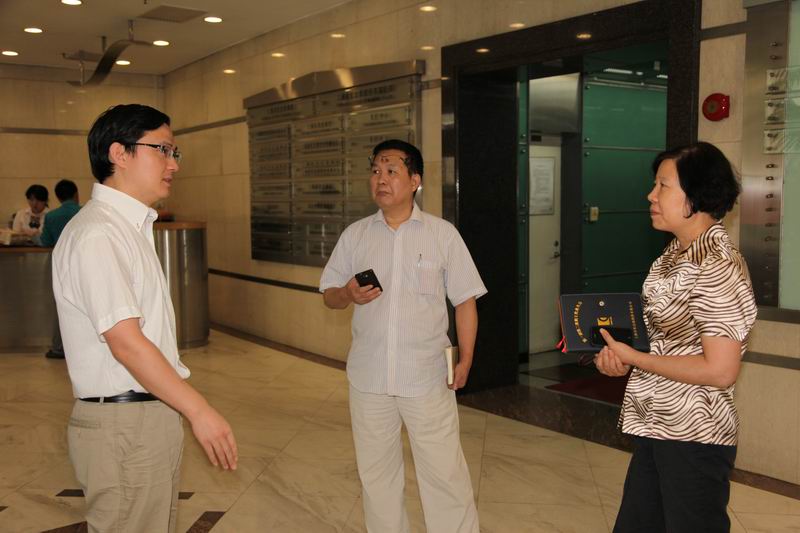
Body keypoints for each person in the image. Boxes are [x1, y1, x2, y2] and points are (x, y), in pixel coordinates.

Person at [52, 104, 238, 533]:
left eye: (175, 152)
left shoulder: (127, 228)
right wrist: (199, 411)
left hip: (144, 418)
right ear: (119, 153)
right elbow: (126, 342)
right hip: (125, 426)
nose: (173, 164)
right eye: (162, 150)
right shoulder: (98, 233)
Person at [320, 139, 486, 533]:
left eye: (391, 171)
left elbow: (465, 301)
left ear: (415, 181)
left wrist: (466, 359)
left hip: (427, 378)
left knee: (445, 477)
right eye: (376, 171)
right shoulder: (356, 235)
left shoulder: (442, 235)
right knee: (377, 479)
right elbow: (329, 296)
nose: (381, 179)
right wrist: (347, 294)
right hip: (369, 379)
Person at [595, 141, 757, 533]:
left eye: (663, 186)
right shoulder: (672, 257)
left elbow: (720, 370)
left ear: (697, 195)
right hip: (655, 424)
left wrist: (636, 358)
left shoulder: (717, 266)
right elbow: (664, 342)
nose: (650, 196)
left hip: (695, 433)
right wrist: (621, 357)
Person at [40, 179, 82, 359]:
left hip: (60, 263)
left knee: (62, 304)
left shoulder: (51, 216)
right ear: (76, 194)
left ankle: (59, 347)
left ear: (58, 197)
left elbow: (45, 241)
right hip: (82, 261)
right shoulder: (84, 212)